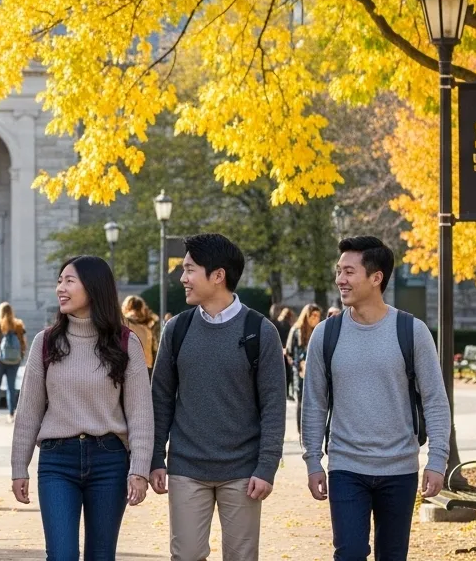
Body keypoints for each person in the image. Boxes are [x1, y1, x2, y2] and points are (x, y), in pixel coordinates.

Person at [301, 236, 451, 561]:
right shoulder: (326, 335)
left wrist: (438, 460)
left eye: (349, 272)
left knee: (393, 555)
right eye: (339, 271)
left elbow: (435, 400)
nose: (340, 279)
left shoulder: (412, 331)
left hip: (399, 468)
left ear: (376, 277)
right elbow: (313, 402)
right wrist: (313, 460)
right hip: (346, 467)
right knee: (350, 553)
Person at [150, 233, 286, 561]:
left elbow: (273, 405)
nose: (182, 278)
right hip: (186, 467)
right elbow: (161, 398)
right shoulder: (177, 329)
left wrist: (267, 466)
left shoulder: (260, 331)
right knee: (186, 556)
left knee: (241, 556)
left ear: (218, 275)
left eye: (189, 269)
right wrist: (155, 457)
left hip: (243, 470)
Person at [12, 256, 153, 561]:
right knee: (61, 555)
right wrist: (18, 467)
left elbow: (140, 413)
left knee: (101, 556)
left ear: (93, 287)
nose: (60, 288)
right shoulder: (45, 342)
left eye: (69, 281)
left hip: (110, 461)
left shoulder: (125, 343)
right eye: (59, 281)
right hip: (56, 461)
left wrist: (139, 469)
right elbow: (28, 412)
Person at [287, 305, 322, 416]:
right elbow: (289, 352)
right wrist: (298, 365)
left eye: (318, 316)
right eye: (313, 315)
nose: (316, 318)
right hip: (300, 371)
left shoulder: (319, 330)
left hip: (315, 371)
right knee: (301, 402)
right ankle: (300, 432)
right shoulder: (296, 330)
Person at [122, 295, 159, 375]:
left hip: (127, 368)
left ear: (126, 307)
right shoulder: (148, 327)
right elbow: (154, 351)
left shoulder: (123, 324)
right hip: (147, 369)